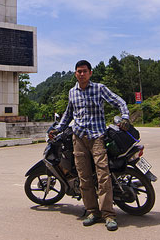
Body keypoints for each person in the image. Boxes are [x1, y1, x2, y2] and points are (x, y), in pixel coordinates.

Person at [51, 60, 131, 232]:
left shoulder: (99, 88)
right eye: (79, 71)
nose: (81, 74)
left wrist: (125, 116)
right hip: (78, 138)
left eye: (84, 71)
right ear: (75, 73)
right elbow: (68, 114)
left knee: (103, 175)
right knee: (84, 177)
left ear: (90, 73)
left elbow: (119, 101)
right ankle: (92, 212)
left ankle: (108, 215)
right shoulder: (72, 92)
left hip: (97, 138)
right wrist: (57, 129)